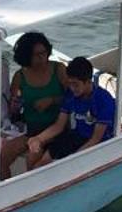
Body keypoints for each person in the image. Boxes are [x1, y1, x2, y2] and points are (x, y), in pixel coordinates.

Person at [10, 29, 75, 169]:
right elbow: (14, 106)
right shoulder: (19, 76)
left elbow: (73, 97)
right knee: (3, 154)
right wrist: (14, 105)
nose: (42, 58)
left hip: (56, 128)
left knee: (32, 158)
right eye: (36, 55)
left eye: (44, 53)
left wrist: (52, 100)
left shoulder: (58, 69)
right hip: (31, 129)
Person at [59, 56, 118, 152]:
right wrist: (39, 139)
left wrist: (74, 157)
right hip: (77, 137)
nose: (72, 88)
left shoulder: (104, 100)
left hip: (100, 144)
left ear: (88, 81)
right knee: (44, 159)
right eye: (70, 84)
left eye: (76, 84)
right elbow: (59, 125)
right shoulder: (71, 94)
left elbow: (95, 139)